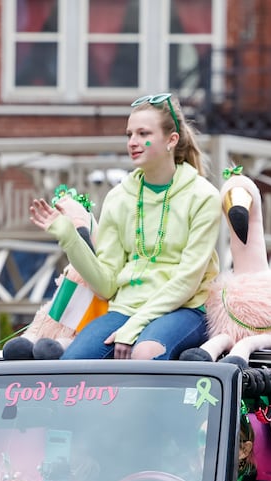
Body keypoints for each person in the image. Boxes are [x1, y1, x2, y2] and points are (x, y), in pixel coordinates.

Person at [28, 92, 220, 360]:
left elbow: (187, 280)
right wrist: (69, 238)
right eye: (129, 134)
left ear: (171, 140)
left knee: (145, 353)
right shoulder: (118, 197)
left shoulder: (204, 196)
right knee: (71, 365)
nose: (133, 142)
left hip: (184, 308)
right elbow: (106, 285)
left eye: (143, 134)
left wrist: (136, 326)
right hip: (125, 309)